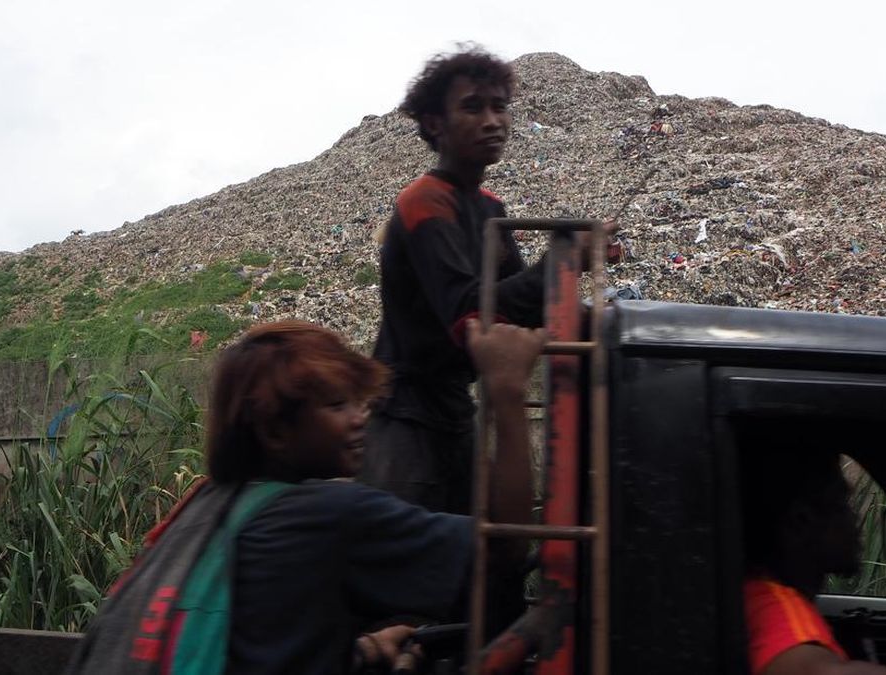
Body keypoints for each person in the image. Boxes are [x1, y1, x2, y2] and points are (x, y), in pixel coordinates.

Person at [66, 318, 545, 675]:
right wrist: (505, 392)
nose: (361, 417)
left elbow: (258, 645)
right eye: (338, 405)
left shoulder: (204, 508)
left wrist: (361, 652)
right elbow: (504, 545)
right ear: (275, 429)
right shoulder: (329, 514)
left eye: (359, 401)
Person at [362, 45, 610, 514]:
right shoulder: (424, 202)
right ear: (435, 122)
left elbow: (522, 302)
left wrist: (595, 319)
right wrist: (563, 260)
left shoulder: (490, 207)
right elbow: (471, 313)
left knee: (481, 558)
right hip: (404, 419)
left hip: (455, 409)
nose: (493, 120)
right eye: (473, 107)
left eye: (500, 107)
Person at [741, 449, 886, 675]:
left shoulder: (760, 594)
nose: (855, 518)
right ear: (802, 520)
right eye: (841, 504)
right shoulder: (774, 605)